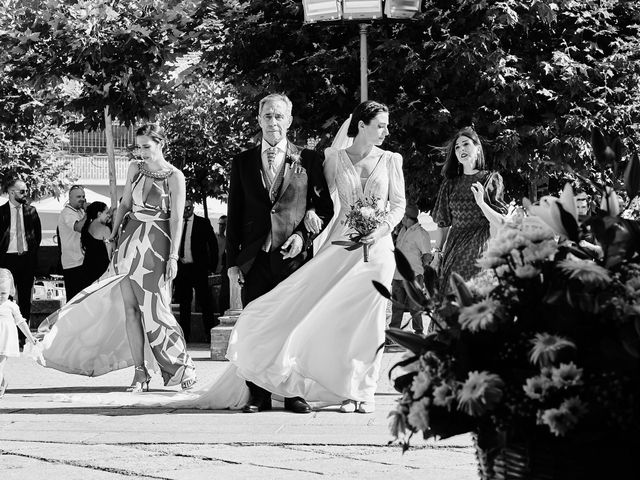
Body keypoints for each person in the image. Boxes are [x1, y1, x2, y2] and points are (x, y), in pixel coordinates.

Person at [38, 124, 196, 392]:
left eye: (147, 146)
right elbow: (123, 205)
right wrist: (112, 235)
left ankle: (181, 366)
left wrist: (173, 256)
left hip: (157, 244)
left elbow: (177, 218)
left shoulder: (175, 176)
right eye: (139, 146)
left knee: (157, 309)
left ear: (161, 144)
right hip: (129, 242)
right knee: (131, 310)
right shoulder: (135, 169)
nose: (142, 152)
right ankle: (140, 372)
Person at [226, 93, 335, 414]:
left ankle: (292, 393)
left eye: (279, 117)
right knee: (257, 326)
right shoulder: (242, 161)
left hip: (294, 260)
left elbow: (323, 208)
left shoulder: (309, 160)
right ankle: (258, 393)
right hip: (255, 259)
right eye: (268, 116)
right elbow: (234, 215)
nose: (273, 123)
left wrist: (304, 236)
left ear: (289, 121)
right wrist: (232, 263)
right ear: (259, 120)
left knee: (294, 325)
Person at [430, 127, 507, 294]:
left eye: (466, 144)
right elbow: (443, 224)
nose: (461, 149)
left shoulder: (490, 179)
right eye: (457, 147)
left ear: (477, 148)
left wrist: (482, 203)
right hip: (453, 248)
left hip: (480, 247)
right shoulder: (449, 184)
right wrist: (437, 254)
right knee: (450, 299)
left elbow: (501, 222)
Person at [0, 177, 41, 347]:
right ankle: (5, 335)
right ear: (11, 192)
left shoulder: (31, 211)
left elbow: (36, 236)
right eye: (22, 191)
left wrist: (32, 255)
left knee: (25, 298)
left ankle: (21, 338)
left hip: (25, 258)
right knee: (5, 297)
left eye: (26, 191)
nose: (26, 194)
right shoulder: (0, 212)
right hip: (6, 259)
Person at [174, 198, 218, 343]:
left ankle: (209, 333)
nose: (186, 211)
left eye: (188, 208)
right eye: (183, 208)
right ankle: (185, 335)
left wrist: (212, 266)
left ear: (192, 208)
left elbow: (213, 245)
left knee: (205, 302)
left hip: (198, 268)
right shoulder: (177, 222)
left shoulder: (202, 223)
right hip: (182, 268)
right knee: (184, 304)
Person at [389, 204, 431, 338]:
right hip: (397, 276)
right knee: (396, 308)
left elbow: (427, 256)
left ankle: (418, 334)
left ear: (406, 217)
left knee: (415, 308)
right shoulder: (402, 230)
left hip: (413, 276)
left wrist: (423, 276)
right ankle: (394, 335)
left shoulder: (421, 233)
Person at [0, 269, 37, 398]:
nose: (0, 296)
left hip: (4, 340)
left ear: (9, 291)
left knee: (0, 364)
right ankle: (3, 382)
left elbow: (21, 322)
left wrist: (30, 338)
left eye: (3, 293)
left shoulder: (11, 306)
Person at [57, 185, 87, 300]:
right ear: (70, 197)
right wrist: (88, 213)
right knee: (74, 299)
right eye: (78, 196)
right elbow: (78, 227)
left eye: (83, 196)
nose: (82, 199)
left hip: (82, 260)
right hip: (73, 262)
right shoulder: (67, 213)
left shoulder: (80, 212)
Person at [79, 201, 113, 289]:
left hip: (86, 269)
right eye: (107, 213)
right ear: (99, 214)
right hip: (102, 272)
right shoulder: (105, 229)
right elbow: (111, 254)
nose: (109, 215)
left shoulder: (85, 228)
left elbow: (82, 250)